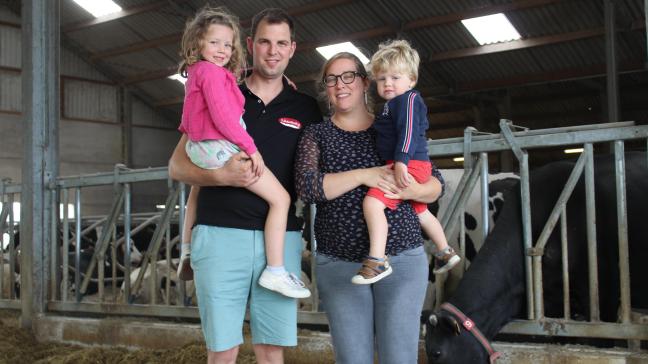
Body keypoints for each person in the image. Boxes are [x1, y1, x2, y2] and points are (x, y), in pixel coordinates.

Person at [169, 8, 321, 364]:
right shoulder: (221, 90)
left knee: (271, 351)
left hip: (280, 243)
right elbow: (177, 165)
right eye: (265, 42)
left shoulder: (307, 108)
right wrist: (221, 176)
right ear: (250, 44)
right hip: (221, 234)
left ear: (292, 48)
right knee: (223, 350)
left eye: (281, 43)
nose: (273, 51)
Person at [294, 52, 444, 364]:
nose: (340, 85)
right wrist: (366, 175)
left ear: (365, 82)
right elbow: (308, 187)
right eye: (332, 79)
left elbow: (435, 184)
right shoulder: (317, 134)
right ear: (326, 89)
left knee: (399, 358)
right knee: (352, 359)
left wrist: (410, 189)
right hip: (340, 263)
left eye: (348, 76)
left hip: (402, 258)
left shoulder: (392, 126)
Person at [351, 40, 459, 285]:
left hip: (408, 164)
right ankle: (445, 251)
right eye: (381, 79)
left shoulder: (408, 100)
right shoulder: (393, 104)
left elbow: (409, 132)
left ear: (411, 79)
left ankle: (377, 260)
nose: (388, 83)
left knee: (372, 203)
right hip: (411, 163)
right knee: (420, 210)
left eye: (395, 77)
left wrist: (400, 162)